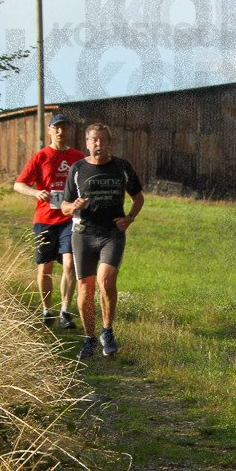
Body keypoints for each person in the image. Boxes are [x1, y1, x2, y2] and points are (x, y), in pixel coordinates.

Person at [61, 123, 144, 359]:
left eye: (103, 140)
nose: (98, 144)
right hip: (84, 233)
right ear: (87, 143)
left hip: (112, 233)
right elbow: (65, 206)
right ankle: (89, 339)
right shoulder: (77, 169)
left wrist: (130, 217)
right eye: (94, 140)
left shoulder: (121, 167)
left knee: (106, 281)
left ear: (110, 143)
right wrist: (73, 206)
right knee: (85, 290)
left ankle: (107, 332)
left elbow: (138, 197)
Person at [14, 113, 86, 329]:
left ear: (69, 130)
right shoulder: (40, 157)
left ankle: (65, 312)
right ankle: (47, 311)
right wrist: (36, 193)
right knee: (45, 269)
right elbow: (18, 184)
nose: (60, 132)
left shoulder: (78, 158)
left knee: (69, 264)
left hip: (69, 218)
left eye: (64, 127)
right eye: (56, 128)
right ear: (49, 130)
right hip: (45, 219)